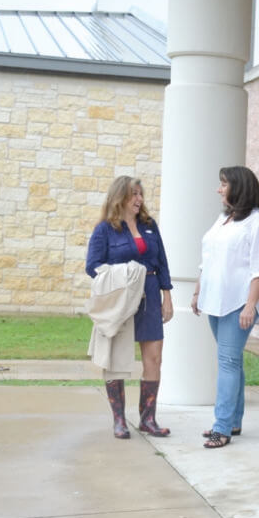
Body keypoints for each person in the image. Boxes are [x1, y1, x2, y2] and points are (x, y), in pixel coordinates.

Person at [191, 166, 259, 449]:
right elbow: (208, 258)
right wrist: (198, 291)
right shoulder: (224, 219)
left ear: (239, 187)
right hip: (214, 301)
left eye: (224, 184)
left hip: (237, 303)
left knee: (227, 363)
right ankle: (234, 420)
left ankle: (221, 428)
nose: (219, 189)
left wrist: (250, 305)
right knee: (232, 361)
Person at [86, 175, 173, 439]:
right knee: (116, 359)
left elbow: (162, 262)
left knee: (154, 358)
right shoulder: (105, 229)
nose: (139, 199)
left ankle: (148, 419)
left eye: (141, 194)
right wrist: (123, 273)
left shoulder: (149, 225)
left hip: (149, 293)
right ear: (120, 197)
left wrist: (166, 295)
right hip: (122, 298)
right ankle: (119, 421)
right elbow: (93, 266)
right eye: (134, 194)